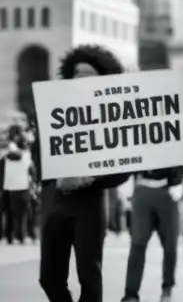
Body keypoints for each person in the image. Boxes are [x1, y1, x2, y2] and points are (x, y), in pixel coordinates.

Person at [39, 45, 133, 302]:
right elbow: (39, 158)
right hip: (55, 201)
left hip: (89, 204)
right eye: (77, 72)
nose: (81, 77)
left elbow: (123, 171)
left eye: (88, 73)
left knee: (89, 277)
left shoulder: (111, 118)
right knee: (49, 277)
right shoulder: (52, 111)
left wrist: (92, 177)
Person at [121, 165, 183, 302]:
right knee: (138, 243)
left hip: (167, 189)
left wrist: (179, 178)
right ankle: (131, 293)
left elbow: (180, 150)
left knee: (170, 244)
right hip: (142, 188)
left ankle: (167, 289)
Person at [3, 123, 33, 244]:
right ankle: (20, 235)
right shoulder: (24, 152)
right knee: (23, 213)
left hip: (11, 185)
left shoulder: (8, 151)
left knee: (13, 213)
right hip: (20, 184)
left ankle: (13, 236)